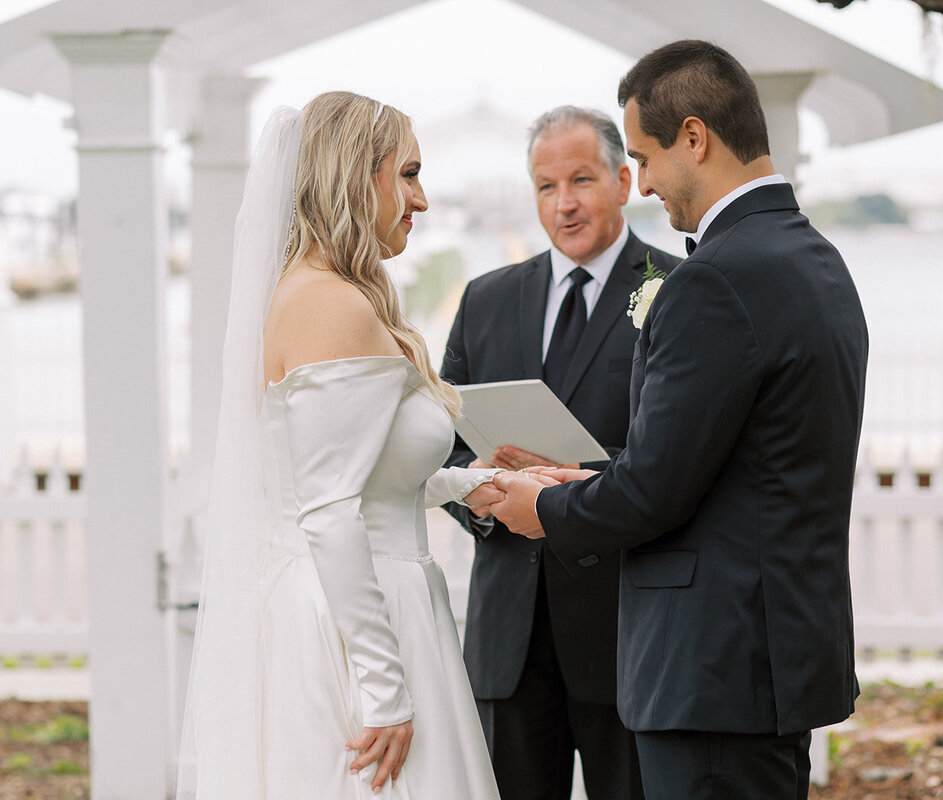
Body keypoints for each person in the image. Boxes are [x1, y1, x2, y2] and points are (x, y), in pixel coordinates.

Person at [489, 40, 869, 800]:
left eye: (646, 157)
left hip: (712, 670)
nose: (648, 183)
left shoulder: (714, 280)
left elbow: (657, 490)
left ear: (695, 137)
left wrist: (547, 507)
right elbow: (724, 461)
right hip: (772, 656)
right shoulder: (815, 260)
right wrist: (586, 474)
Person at [176, 91, 503, 799]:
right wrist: (383, 691)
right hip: (362, 619)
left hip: (362, 596)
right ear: (358, 175)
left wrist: (466, 484)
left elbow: (351, 477)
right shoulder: (331, 303)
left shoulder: (320, 291)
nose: (421, 197)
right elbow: (327, 512)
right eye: (408, 173)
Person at [440, 106, 679, 800]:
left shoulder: (678, 291)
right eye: (546, 186)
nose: (564, 204)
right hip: (507, 634)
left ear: (625, 180)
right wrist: (485, 503)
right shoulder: (486, 301)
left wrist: (566, 490)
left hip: (623, 627)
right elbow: (447, 440)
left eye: (581, 180)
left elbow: (679, 452)